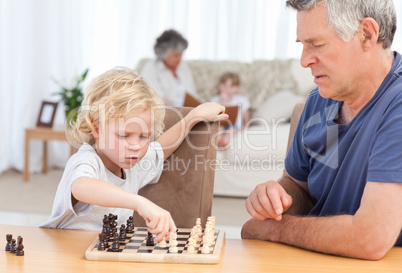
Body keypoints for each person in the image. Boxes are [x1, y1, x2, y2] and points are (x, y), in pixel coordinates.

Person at [241, 0, 402, 260]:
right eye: (302, 45)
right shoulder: (319, 101)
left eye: (317, 44)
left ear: (366, 35)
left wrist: (276, 229)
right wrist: (277, 197)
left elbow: (371, 237)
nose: (304, 61)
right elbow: (299, 187)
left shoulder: (397, 105)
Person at [41, 67, 227, 242]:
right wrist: (140, 203)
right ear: (96, 127)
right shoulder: (87, 160)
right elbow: (81, 186)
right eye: (125, 135)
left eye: (144, 136)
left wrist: (193, 117)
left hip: (102, 256)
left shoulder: (133, 165)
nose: (136, 146)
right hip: (65, 253)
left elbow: (160, 149)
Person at [141, 29, 197, 107]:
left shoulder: (183, 68)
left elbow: (193, 94)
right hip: (167, 113)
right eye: (176, 55)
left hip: (189, 111)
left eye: (181, 54)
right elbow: (155, 99)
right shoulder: (151, 69)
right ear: (163, 53)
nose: (180, 58)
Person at [210, 72, 251, 148]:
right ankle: (218, 141)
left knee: (231, 131)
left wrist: (245, 128)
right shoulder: (215, 100)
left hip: (234, 126)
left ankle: (224, 141)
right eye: (224, 85)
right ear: (219, 85)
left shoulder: (242, 100)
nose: (227, 89)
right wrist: (223, 101)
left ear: (237, 88)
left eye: (231, 86)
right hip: (219, 124)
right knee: (218, 130)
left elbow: (247, 119)